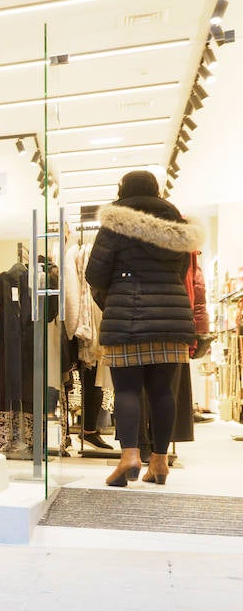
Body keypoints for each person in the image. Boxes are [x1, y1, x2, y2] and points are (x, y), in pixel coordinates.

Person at [85, 170, 202, 487]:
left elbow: (94, 274)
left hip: (128, 317)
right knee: (163, 391)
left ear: (122, 190)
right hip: (173, 317)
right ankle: (160, 463)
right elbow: (182, 272)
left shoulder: (115, 223)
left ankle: (130, 458)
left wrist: (115, 294)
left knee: (127, 389)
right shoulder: (177, 224)